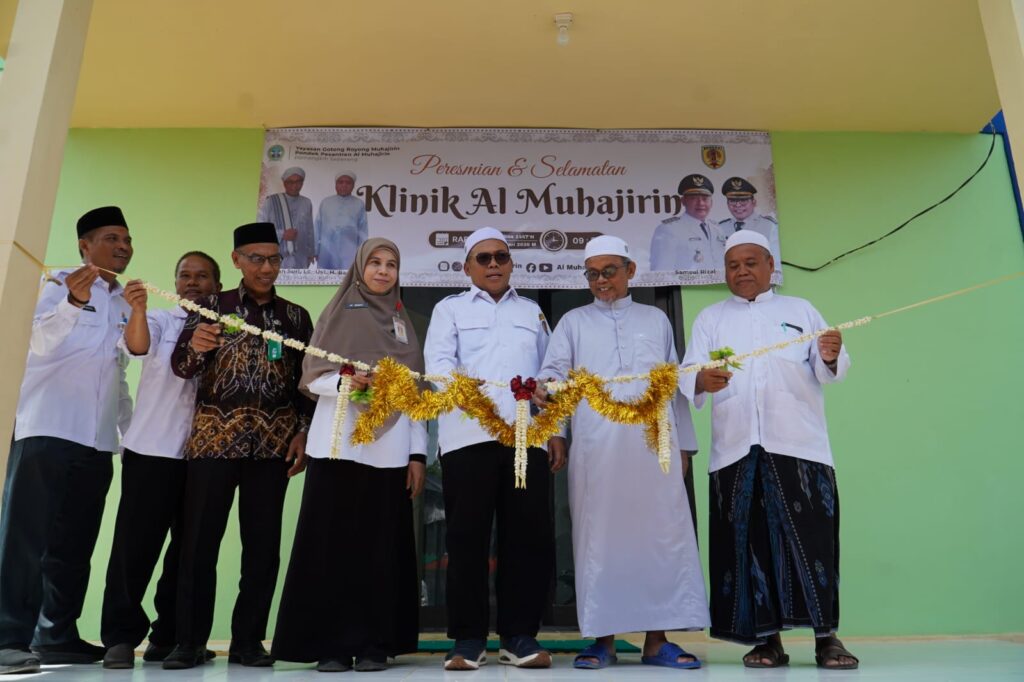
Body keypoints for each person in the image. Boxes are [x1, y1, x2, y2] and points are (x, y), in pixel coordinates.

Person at [679, 230, 858, 670]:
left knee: (812, 543)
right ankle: (766, 641)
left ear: (770, 265)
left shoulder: (800, 310)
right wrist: (700, 380)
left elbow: (830, 367)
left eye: (750, 263)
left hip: (800, 446)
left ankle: (827, 638)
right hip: (736, 449)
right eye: (733, 265)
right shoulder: (711, 318)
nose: (741, 272)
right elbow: (689, 372)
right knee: (750, 545)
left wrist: (831, 355)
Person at [535, 235, 709, 670]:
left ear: (630, 271)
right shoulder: (573, 322)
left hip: (655, 447)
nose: (601, 281)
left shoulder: (655, 320)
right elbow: (552, 377)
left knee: (661, 537)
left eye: (609, 271)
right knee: (599, 541)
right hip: (596, 449)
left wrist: (685, 445)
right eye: (593, 274)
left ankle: (657, 641)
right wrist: (554, 430)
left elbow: (673, 385)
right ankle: (603, 640)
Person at [163, 223, 314, 670]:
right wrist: (196, 347)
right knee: (198, 544)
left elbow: (306, 385)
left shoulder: (295, 316)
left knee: (263, 548)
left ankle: (248, 641)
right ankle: (189, 642)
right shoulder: (211, 306)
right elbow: (181, 367)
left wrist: (303, 432)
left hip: (273, 445)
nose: (266, 268)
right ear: (236, 261)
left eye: (273, 259)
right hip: (214, 442)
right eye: (256, 259)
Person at [273, 238, 425, 673]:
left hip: (389, 450)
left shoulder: (403, 323)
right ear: (359, 267)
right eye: (374, 262)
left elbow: (415, 394)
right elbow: (312, 376)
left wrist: (417, 454)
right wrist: (346, 382)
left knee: (379, 550)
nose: (383, 271)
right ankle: (331, 645)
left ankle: (374, 644)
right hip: (337, 446)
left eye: (391, 264)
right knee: (330, 547)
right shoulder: (337, 313)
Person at [0, 206, 140, 674]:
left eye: (127, 239)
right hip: (46, 427)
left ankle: (56, 636)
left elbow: (117, 374)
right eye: (111, 238)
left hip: (97, 440)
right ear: (85, 246)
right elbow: (35, 343)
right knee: (24, 539)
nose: (123, 246)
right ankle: (7, 637)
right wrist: (73, 304)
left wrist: (129, 434)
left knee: (74, 544)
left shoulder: (123, 302)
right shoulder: (54, 284)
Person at [423, 227, 564, 671]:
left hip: (527, 437)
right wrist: (469, 394)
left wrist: (556, 429)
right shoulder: (449, 310)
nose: (493, 264)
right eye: (483, 258)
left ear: (511, 263)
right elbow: (438, 366)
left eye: (500, 256)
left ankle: (518, 636)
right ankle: (468, 639)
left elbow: (551, 373)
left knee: (527, 536)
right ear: (467, 267)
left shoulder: (532, 311)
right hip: (469, 437)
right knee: (466, 538)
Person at [99, 251, 222, 669]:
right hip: (151, 450)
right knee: (135, 547)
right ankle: (120, 639)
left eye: (202, 276)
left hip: (204, 456)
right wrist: (137, 309)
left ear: (217, 286)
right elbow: (137, 347)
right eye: (185, 275)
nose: (193, 282)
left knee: (188, 554)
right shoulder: (159, 320)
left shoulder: (229, 329)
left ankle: (169, 637)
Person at [650, 174, 726, 272]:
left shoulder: (717, 228)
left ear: (711, 202)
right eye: (694, 198)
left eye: (705, 199)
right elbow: (661, 271)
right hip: (686, 283)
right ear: (683, 201)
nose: (701, 203)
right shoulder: (668, 229)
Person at [715, 177, 781, 270]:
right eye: (732, 200)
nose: (738, 205)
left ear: (754, 202)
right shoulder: (720, 228)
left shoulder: (769, 226)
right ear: (727, 203)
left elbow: (776, 264)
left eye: (743, 200)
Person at [258, 166, 316, 269]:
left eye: (298, 182)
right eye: (290, 182)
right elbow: (260, 229)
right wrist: (282, 234)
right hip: (277, 256)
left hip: (300, 257)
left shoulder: (306, 202)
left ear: (302, 183)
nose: (295, 185)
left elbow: (309, 230)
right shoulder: (271, 201)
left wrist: (311, 252)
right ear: (284, 183)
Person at [316, 170, 368, 270]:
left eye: (348, 183)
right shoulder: (326, 202)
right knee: (324, 276)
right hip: (326, 251)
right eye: (340, 182)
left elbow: (363, 232)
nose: (344, 185)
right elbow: (317, 227)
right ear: (336, 185)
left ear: (353, 185)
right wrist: (315, 250)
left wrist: (362, 254)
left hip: (349, 252)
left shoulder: (359, 204)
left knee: (348, 276)